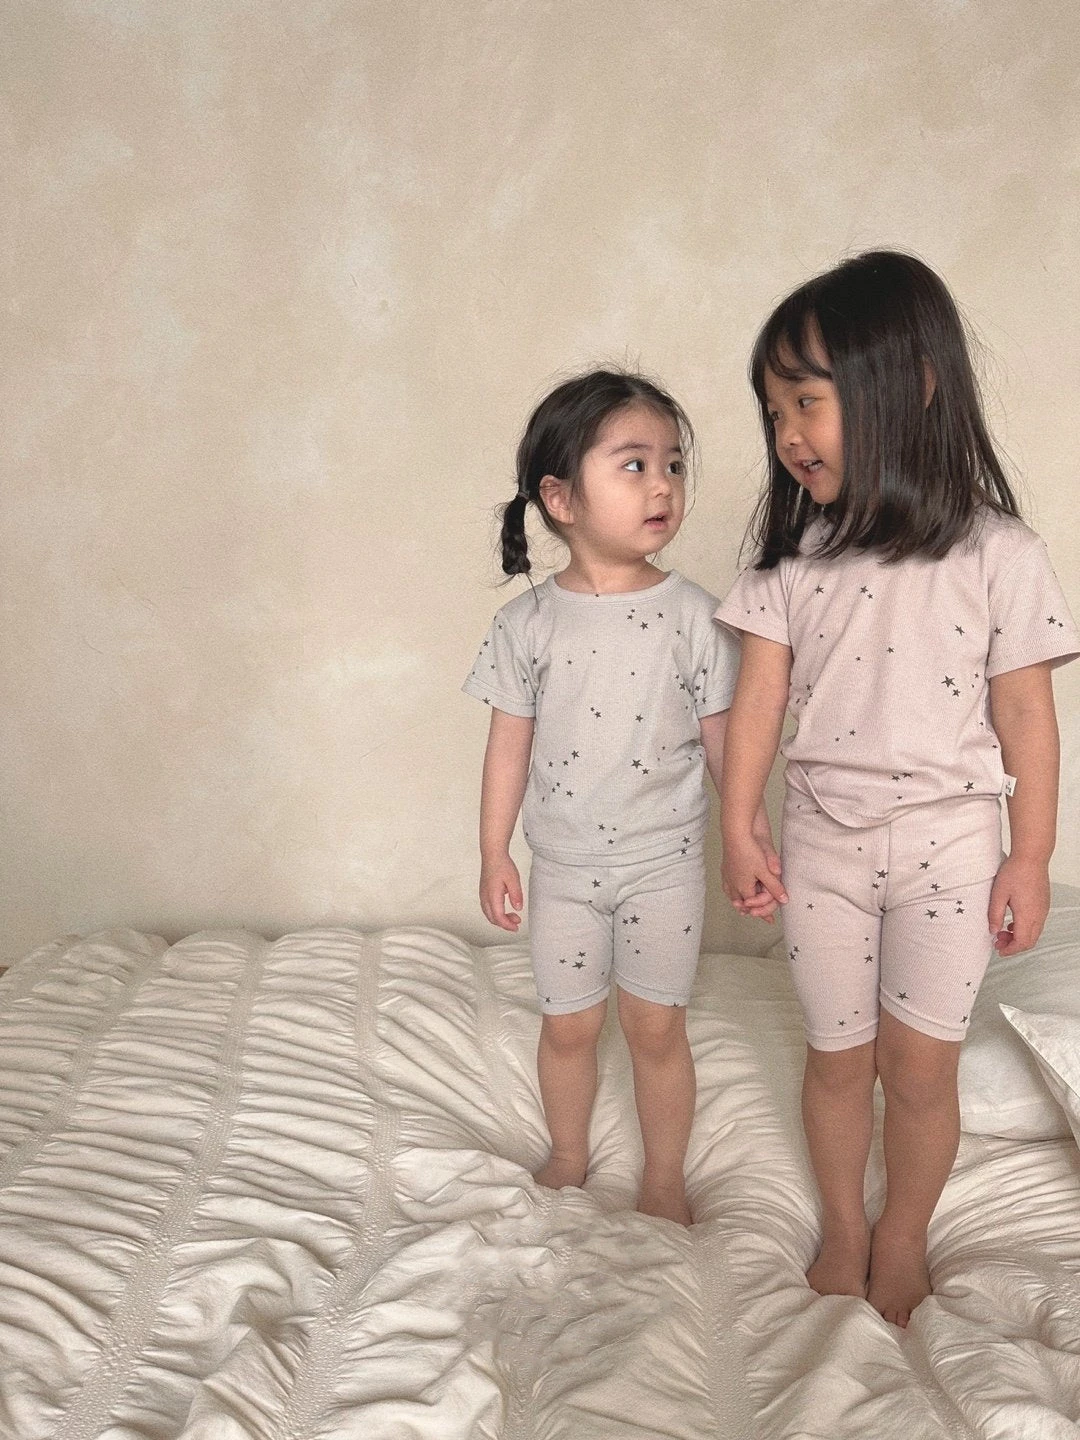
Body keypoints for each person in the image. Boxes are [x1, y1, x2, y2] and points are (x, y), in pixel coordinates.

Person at [717, 250, 1079, 1325]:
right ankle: (843, 1226)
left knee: (920, 1072)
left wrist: (1030, 855)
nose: (788, 433)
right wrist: (739, 824)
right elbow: (757, 703)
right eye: (774, 409)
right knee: (839, 1062)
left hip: (951, 852)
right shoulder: (792, 559)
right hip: (824, 846)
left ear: (912, 385)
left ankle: (906, 1235)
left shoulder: (1000, 553)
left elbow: (1027, 717)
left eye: (808, 401)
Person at [464, 368, 776, 1226]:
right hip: (563, 870)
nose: (663, 485)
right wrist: (493, 852)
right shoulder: (526, 625)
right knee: (568, 1027)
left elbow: (730, 750)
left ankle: (664, 1176)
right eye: (634, 465)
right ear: (560, 498)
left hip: (664, 867)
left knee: (655, 1030)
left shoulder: (697, 618)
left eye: (673, 464)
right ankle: (569, 1152)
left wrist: (748, 840)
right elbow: (507, 747)